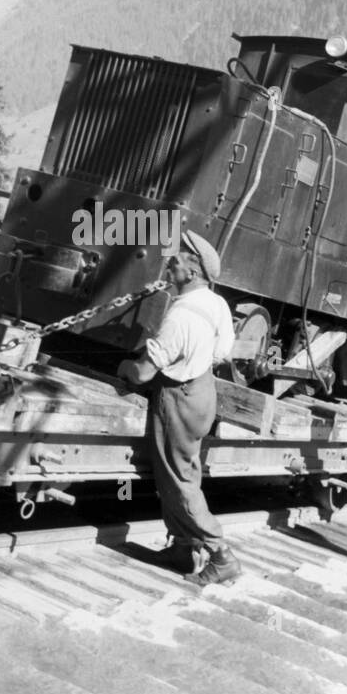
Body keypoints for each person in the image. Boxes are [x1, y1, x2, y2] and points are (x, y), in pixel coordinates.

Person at [117, 229, 241, 585]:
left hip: (179, 400)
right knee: (183, 473)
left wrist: (124, 367)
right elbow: (222, 351)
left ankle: (221, 555)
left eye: (177, 260)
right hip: (203, 394)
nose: (169, 262)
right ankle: (184, 548)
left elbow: (142, 373)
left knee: (179, 483)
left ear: (193, 271)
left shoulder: (181, 316)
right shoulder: (216, 303)